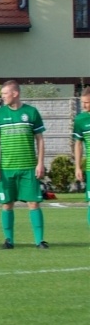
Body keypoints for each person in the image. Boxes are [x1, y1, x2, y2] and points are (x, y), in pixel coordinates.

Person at [0, 79, 48, 250]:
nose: (3, 97)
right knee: (7, 204)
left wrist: (40, 163)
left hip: (28, 167)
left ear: (15, 94)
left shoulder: (31, 112)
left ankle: (40, 241)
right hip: (7, 168)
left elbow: (40, 140)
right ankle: (8, 240)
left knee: (33, 203)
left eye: (5, 94)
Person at [73, 84, 90, 236]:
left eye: (87, 102)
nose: (84, 106)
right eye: (83, 102)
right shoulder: (81, 120)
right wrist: (78, 166)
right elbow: (78, 144)